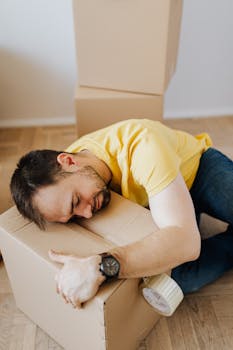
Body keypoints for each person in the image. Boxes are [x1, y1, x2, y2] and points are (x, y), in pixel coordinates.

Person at [10, 118, 233, 308]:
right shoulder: (72, 171)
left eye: (76, 201)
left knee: (181, 246)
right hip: (160, 200)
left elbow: (186, 242)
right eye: (74, 216)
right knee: (178, 279)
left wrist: (100, 267)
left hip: (198, 169)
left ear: (69, 161)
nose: (87, 214)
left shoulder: (143, 146)